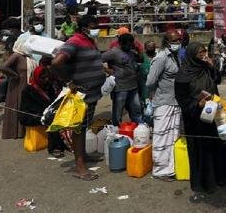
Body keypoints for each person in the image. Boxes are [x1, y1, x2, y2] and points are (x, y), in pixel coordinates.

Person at [174, 42, 226, 195]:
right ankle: (206, 182)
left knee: (219, 144)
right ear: (191, 55)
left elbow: (217, 80)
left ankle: (223, 176)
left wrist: (211, 66)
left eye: (204, 52)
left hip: (214, 113)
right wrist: (198, 103)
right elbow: (182, 100)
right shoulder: (183, 75)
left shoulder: (205, 67)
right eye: (200, 53)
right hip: (196, 119)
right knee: (203, 150)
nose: (203, 55)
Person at [52, 15, 105, 181]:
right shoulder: (75, 41)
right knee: (79, 129)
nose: (96, 28)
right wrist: (69, 82)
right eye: (92, 25)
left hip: (92, 93)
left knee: (84, 126)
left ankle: (83, 156)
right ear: (83, 28)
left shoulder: (89, 41)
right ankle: (80, 166)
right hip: (81, 95)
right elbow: (56, 63)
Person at [146, 30, 182, 180]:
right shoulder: (161, 58)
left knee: (173, 136)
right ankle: (160, 170)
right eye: (174, 40)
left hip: (175, 101)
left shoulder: (174, 57)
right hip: (164, 102)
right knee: (161, 137)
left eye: (178, 40)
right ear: (166, 42)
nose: (177, 43)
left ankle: (171, 168)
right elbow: (150, 82)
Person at [19, 64, 67, 158]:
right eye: (43, 78)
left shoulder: (48, 86)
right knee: (50, 119)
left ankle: (66, 141)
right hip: (31, 115)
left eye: (47, 78)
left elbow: (53, 102)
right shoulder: (28, 90)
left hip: (45, 111)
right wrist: (46, 112)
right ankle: (54, 147)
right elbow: (27, 109)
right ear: (37, 77)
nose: (46, 80)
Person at [0, 36, 36, 139]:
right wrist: (15, 75)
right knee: (17, 106)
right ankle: (15, 132)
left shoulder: (28, 57)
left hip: (25, 86)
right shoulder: (16, 55)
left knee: (23, 107)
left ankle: (22, 132)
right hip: (17, 86)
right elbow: (3, 67)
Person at [102, 34, 142, 125]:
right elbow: (97, 60)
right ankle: (116, 127)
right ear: (120, 43)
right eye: (127, 45)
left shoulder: (131, 52)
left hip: (133, 85)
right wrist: (107, 70)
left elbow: (141, 59)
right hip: (120, 86)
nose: (129, 47)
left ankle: (138, 125)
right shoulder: (113, 52)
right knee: (118, 109)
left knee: (136, 107)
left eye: (130, 45)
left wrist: (138, 50)